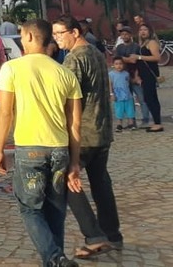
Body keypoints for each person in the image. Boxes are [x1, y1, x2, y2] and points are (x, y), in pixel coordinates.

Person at [0, 19, 83, 267]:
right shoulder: (66, 73)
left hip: (29, 149)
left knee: (30, 208)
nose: (21, 40)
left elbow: (5, 112)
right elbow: (75, 124)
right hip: (59, 149)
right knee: (56, 211)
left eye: (22, 36)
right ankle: (58, 260)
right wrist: (75, 162)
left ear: (31, 37)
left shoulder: (11, 68)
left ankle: (55, 258)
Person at [53, 17, 122, 257]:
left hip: (84, 132)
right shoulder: (96, 52)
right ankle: (113, 233)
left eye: (60, 33)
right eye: (53, 35)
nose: (56, 38)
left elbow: (69, 99)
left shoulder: (75, 59)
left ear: (74, 32)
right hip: (103, 129)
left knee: (65, 178)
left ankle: (94, 236)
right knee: (101, 182)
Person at [124, 23, 164, 132]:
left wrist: (139, 57)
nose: (142, 32)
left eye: (145, 29)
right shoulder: (142, 44)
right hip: (144, 75)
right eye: (141, 30)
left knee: (151, 98)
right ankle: (156, 121)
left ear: (150, 31)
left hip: (150, 74)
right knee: (147, 98)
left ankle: (158, 123)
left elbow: (157, 57)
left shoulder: (152, 43)